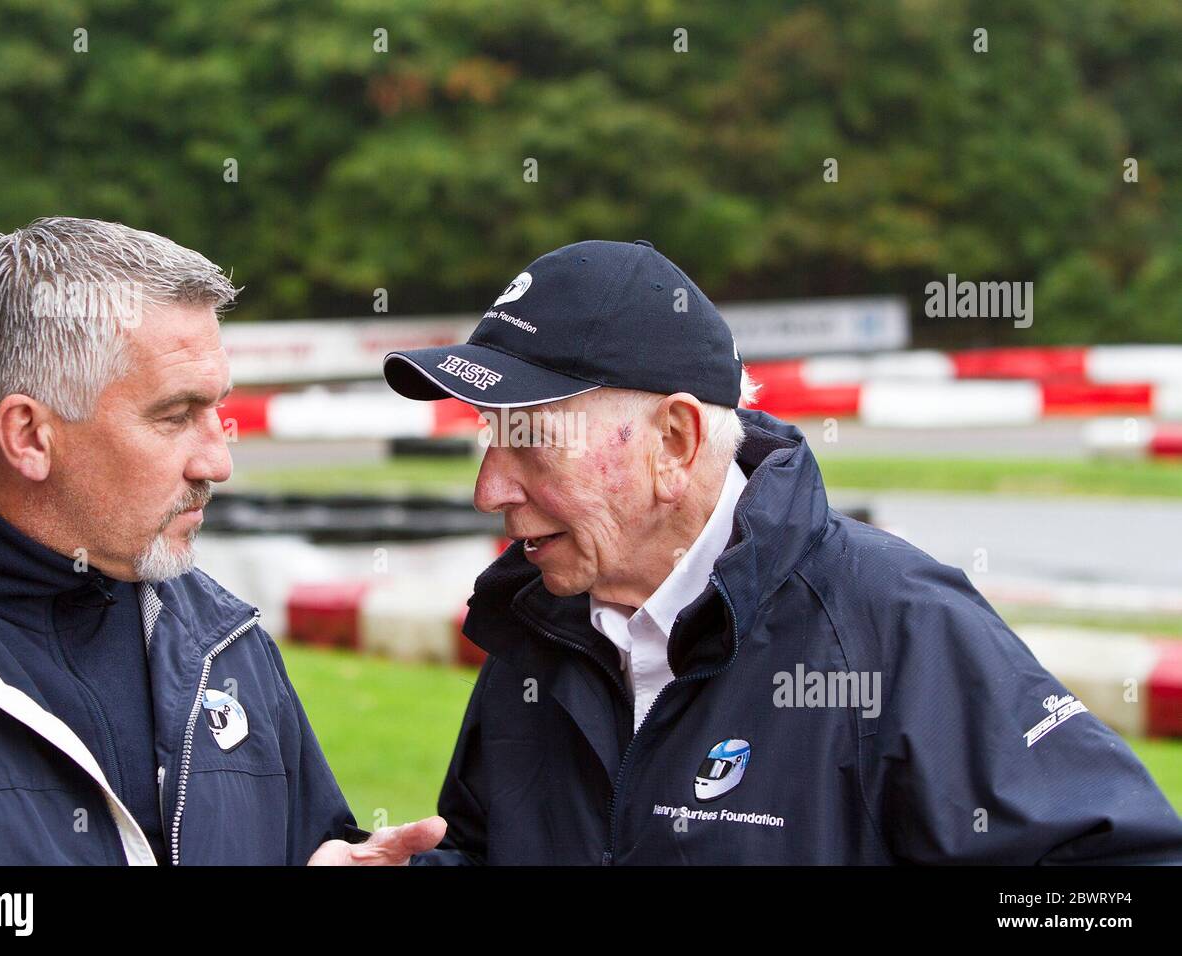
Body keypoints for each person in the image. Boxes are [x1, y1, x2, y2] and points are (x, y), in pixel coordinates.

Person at [383, 238, 1182, 865]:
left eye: (530, 440)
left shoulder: (892, 626)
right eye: (491, 438)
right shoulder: (536, 623)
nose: (490, 489)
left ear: (674, 439)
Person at [0, 217, 443, 864]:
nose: (218, 462)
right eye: (176, 416)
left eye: (218, 412)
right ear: (30, 435)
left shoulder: (222, 640)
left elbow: (301, 842)